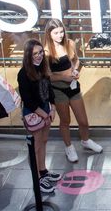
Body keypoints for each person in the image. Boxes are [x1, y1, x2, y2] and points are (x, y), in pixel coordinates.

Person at [44, 19, 102, 163]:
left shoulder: (70, 43)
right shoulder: (46, 52)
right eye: (56, 33)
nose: (60, 35)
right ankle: (68, 147)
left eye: (61, 32)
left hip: (74, 86)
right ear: (49, 34)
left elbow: (76, 60)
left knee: (83, 120)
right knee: (65, 121)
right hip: (58, 90)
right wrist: (65, 76)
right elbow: (48, 76)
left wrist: (75, 69)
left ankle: (86, 140)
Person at [17, 40, 61, 194]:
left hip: (45, 109)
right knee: (35, 147)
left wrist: (52, 108)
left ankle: (43, 171)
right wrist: (44, 114)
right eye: (35, 53)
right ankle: (37, 179)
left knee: (43, 142)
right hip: (33, 113)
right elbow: (27, 99)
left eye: (40, 52)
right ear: (28, 55)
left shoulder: (43, 68)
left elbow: (49, 89)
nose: (39, 56)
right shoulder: (23, 74)